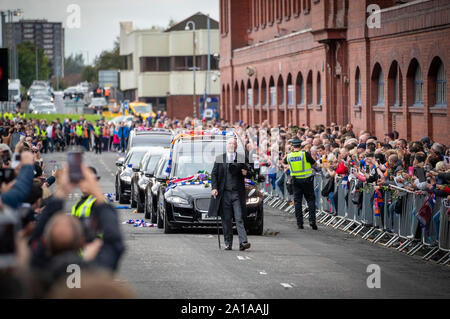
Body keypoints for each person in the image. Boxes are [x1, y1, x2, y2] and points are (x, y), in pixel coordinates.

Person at [208, 137, 253, 251]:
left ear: (236, 146)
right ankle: (228, 243)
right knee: (226, 220)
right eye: (229, 144)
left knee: (239, 218)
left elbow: (251, 172)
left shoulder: (241, 158)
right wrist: (214, 188)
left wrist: (246, 173)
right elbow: (214, 174)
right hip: (224, 194)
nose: (231, 146)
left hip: (237, 194)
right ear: (226, 146)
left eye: (233, 144)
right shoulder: (220, 158)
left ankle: (243, 242)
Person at [285, 138, 318, 230]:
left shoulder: (289, 156)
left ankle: (300, 223)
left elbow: (284, 163)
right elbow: (314, 164)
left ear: (293, 146)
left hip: (295, 181)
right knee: (310, 200)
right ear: (300, 145)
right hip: (307, 180)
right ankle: (312, 221)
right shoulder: (305, 154)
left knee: (297, 202)